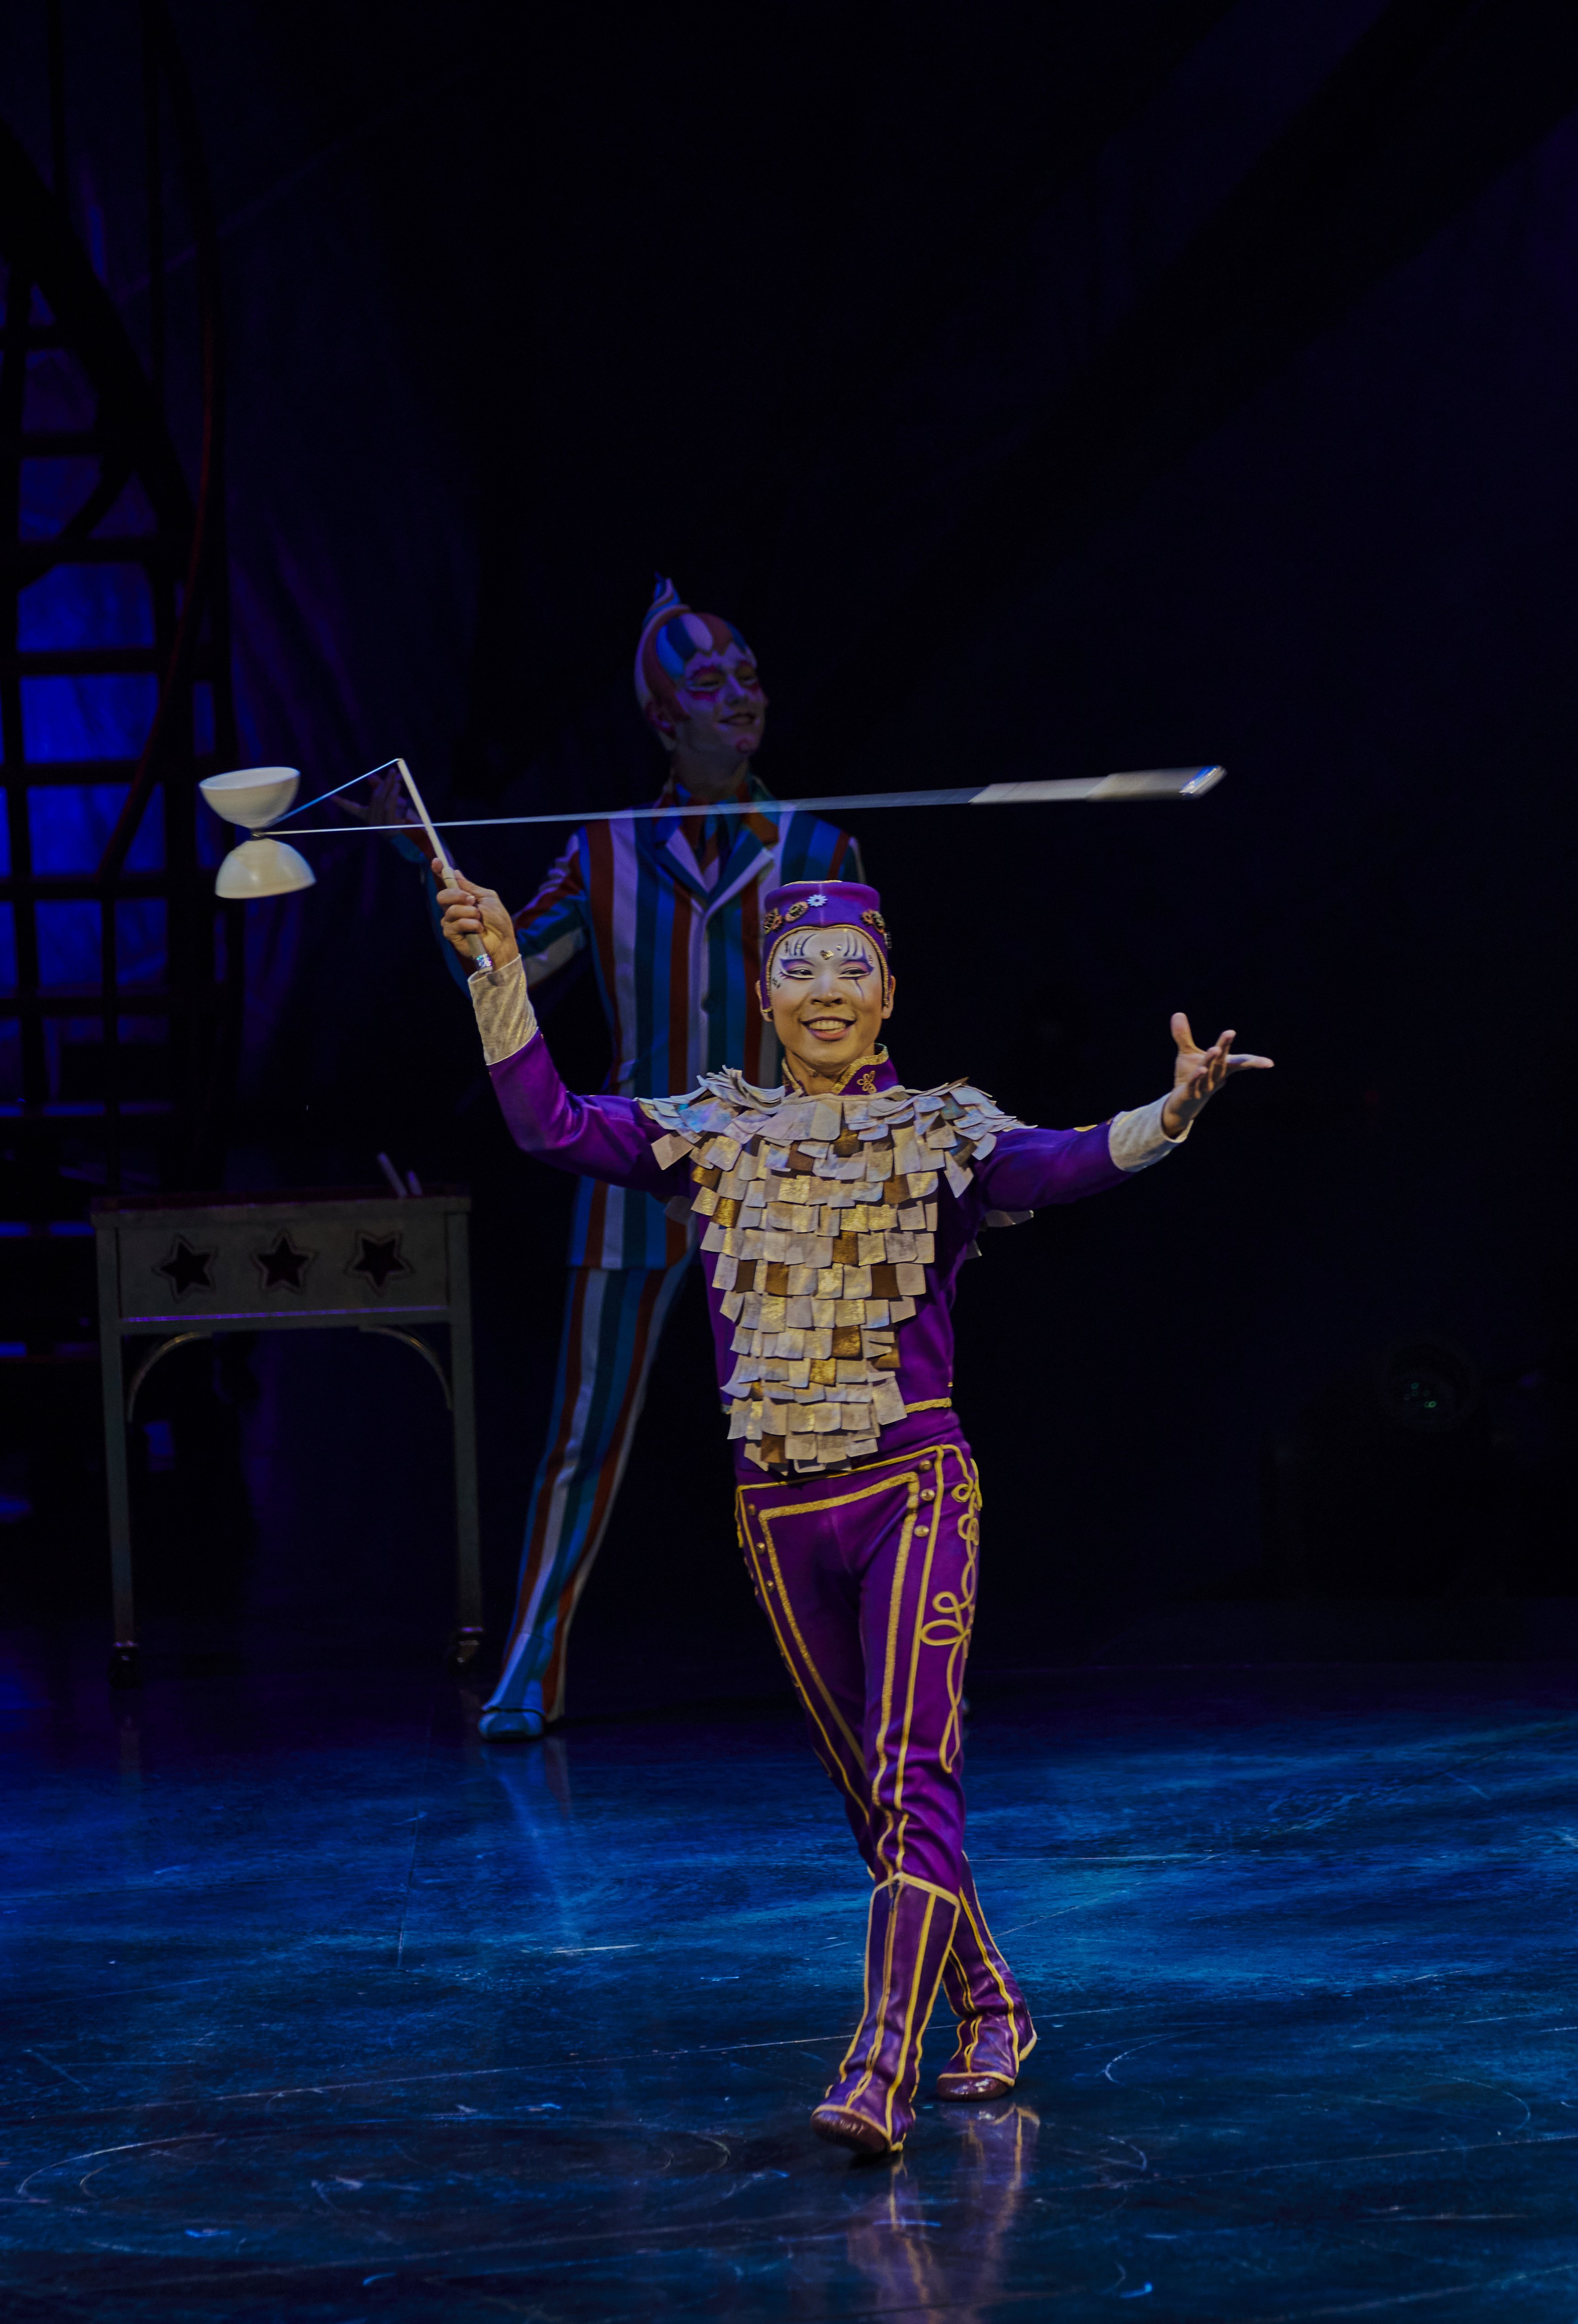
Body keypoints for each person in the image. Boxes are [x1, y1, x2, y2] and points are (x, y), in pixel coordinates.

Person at [434, 861, 1269, 2157]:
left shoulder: (942, 1134)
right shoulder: (713, 1135)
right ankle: (993, 2003)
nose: (826, 991)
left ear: (890, 995)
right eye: (799, 969)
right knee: (871, 1801)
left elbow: (1057, 1165)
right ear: (763, 995)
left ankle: (881, 2061)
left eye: (851, 969)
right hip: (774, 1509)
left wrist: (1168, 1113)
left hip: (910, 1489)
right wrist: (500, 968)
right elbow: (549, 1125)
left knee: (912, 1771)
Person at [451, 578, 865, 1743]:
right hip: (640, 1176)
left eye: (748, 679)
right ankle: (530, 1663)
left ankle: (856, 1658)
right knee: (583, 1431)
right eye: (709, 683)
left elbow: (858, 1006)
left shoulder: (820, 842)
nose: (741, 698)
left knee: (827, 1429)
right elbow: (515, 981)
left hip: (784, 1181)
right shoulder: (605, 849)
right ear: (660, 715)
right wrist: (477, 942)